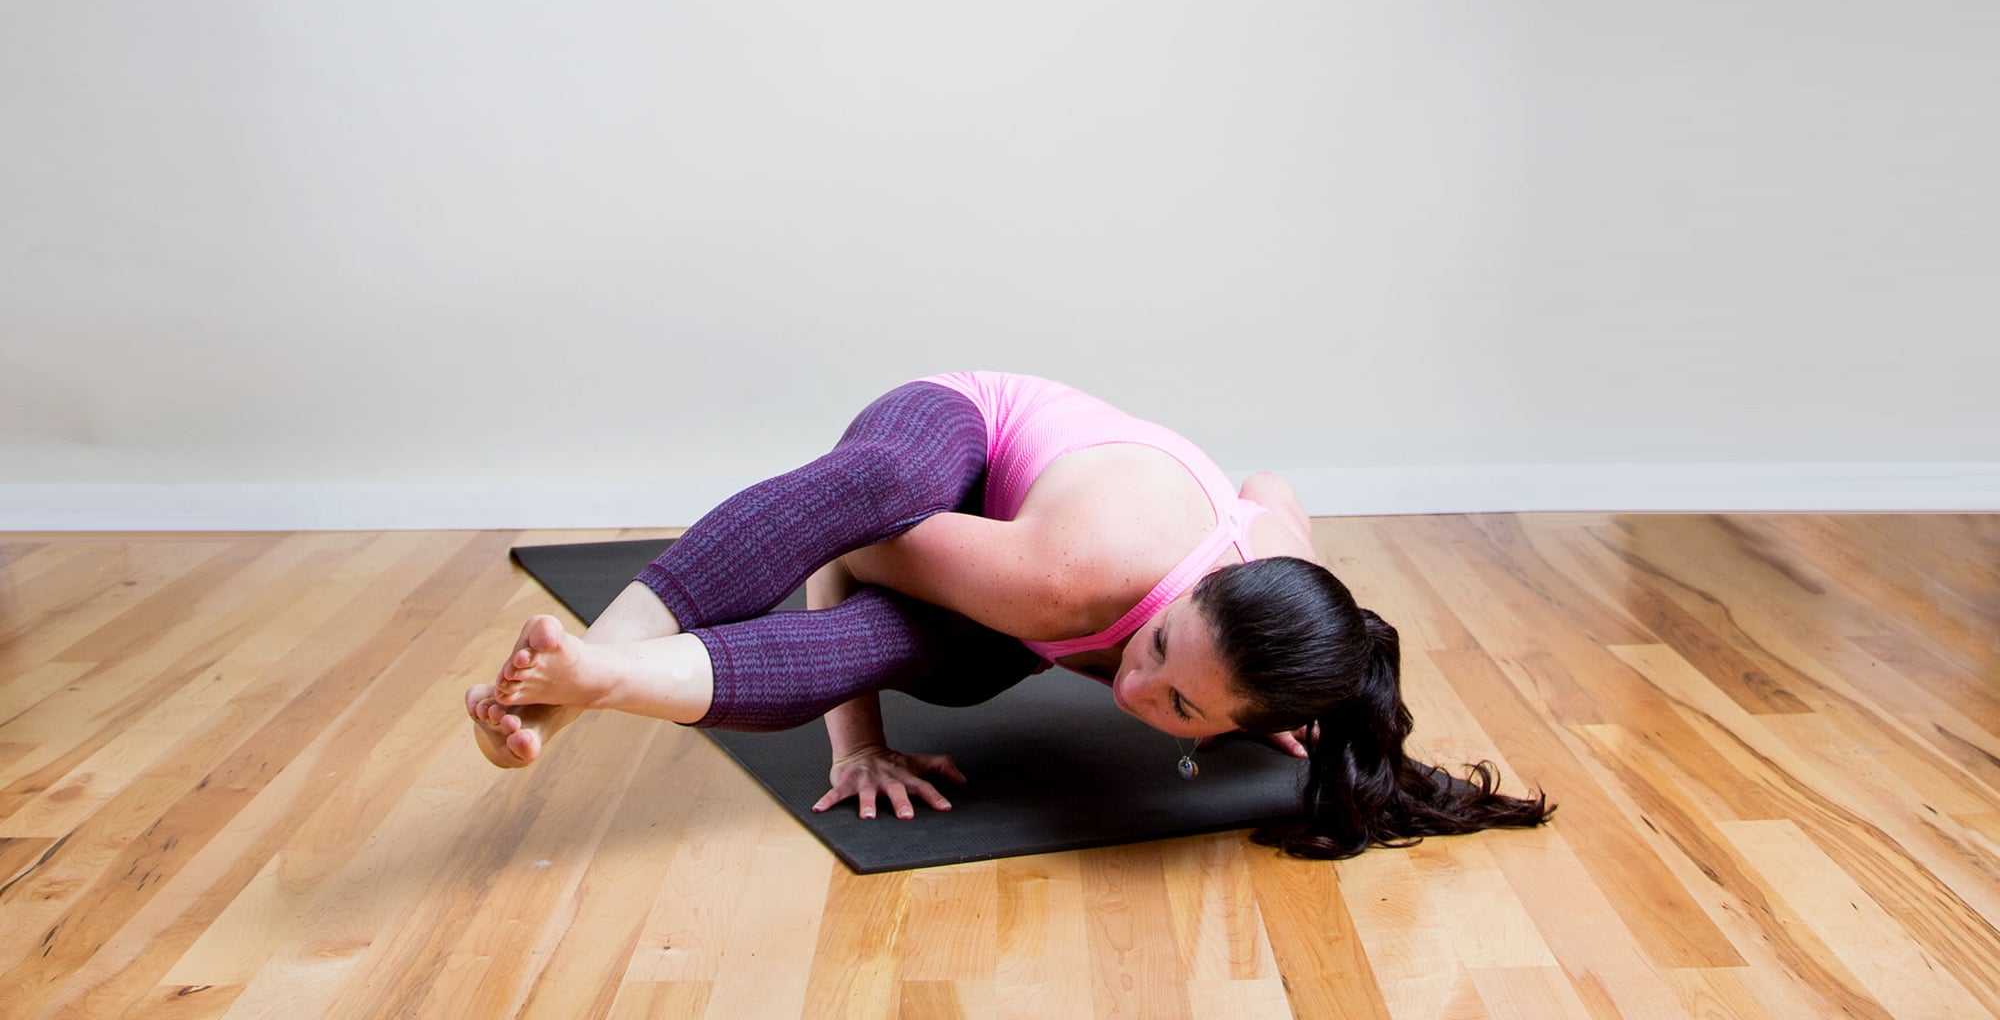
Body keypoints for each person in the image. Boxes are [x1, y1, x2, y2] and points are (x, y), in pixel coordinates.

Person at [465, 372, 1554, 859]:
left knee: (917, 649)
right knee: (877, 480)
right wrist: (859, 744)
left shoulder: (1294, 617)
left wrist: (1271, 706)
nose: (1132, 690)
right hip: (962, 433)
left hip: (1010, 584)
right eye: (1159, 646)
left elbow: (1268, 485)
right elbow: (846, 543)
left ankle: (589, 682)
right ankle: (599, 655)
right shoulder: (1070, 574)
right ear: (1187, 592)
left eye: (1179, 707)